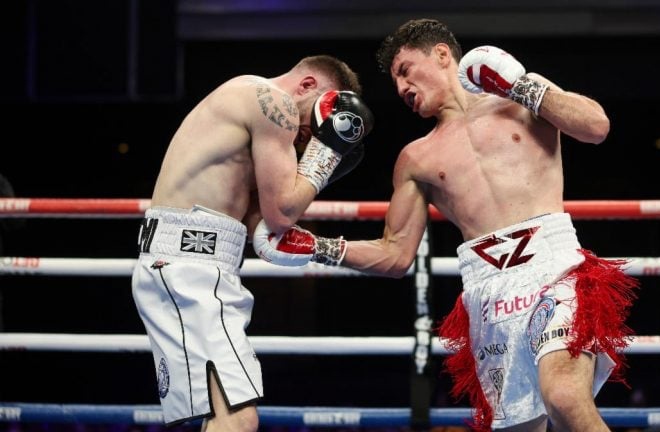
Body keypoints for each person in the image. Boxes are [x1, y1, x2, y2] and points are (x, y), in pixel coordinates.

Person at [252, 19, 638, 432]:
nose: (401, 88)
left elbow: (595, 127)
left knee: (563, 396)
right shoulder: (415, 158)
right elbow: (396, 254)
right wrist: (319, 247)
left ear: (441, 55)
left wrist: (520, 85)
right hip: (489, 298)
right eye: (395, 82)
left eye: (405, 70)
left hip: (555, 271)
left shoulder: (517, 98)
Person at [131, 55, 373, 432]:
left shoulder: (243, 95)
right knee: (238, 419)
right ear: (309, 86)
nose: (307, 136)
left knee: (221, 417)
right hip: (191, 267)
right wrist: (327, 156)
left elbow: (262, 227)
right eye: (316, 121)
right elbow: (281, 213)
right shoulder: (273, 102)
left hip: (188, 264)